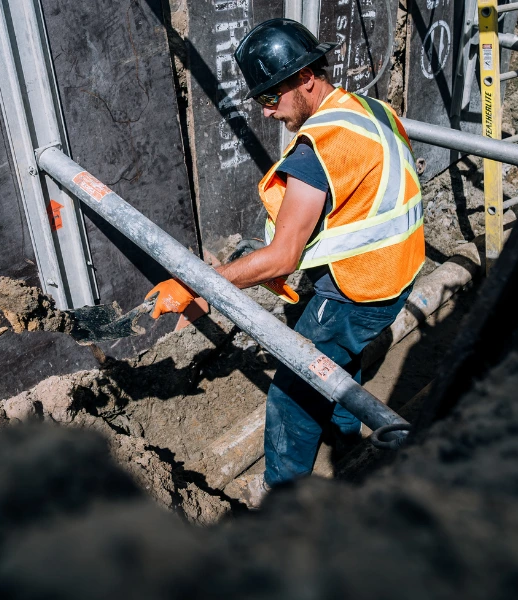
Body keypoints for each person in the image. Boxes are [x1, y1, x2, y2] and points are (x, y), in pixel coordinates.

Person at [145, 18, 425, 507]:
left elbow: (282, 256)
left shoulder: (320, 148)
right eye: (260, 101)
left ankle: (283, 498)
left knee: (294, 389)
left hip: (356, 288)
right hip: (395, 272)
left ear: (304, 78)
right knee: (341, 356)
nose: (268, 113)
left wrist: (197, 284)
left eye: (271, 98)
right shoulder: (368, 109)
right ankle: (342, 433)